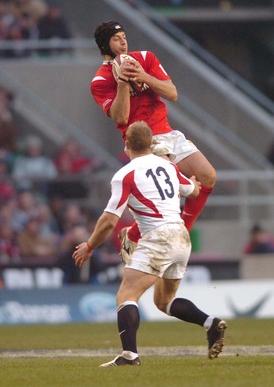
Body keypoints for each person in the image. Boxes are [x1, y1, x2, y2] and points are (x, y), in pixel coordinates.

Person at [73, 121, 227, 367]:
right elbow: (194, 191)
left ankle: (129, 356)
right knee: (164, 302)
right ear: (150, 144)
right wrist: (195, 185)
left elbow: (109, 220)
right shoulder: (168, 166)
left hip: (158, 237)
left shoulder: (125, 174)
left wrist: (90, 245)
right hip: (181, 237)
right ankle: (211, 324)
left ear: (126, 145)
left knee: (126, 294)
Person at [90, 20, 216, 235]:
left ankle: (182, 229)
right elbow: (121, 118)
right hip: (142, 142)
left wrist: (143, 76)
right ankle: (138, 234)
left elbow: (172, 93)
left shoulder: (145, 59)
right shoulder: (100, 81)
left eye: (124, 38)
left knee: (208, 176)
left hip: (168, 132)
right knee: (170, 194)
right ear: (104, 45)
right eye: (116, 39)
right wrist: (122, 83)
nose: (123, 43)